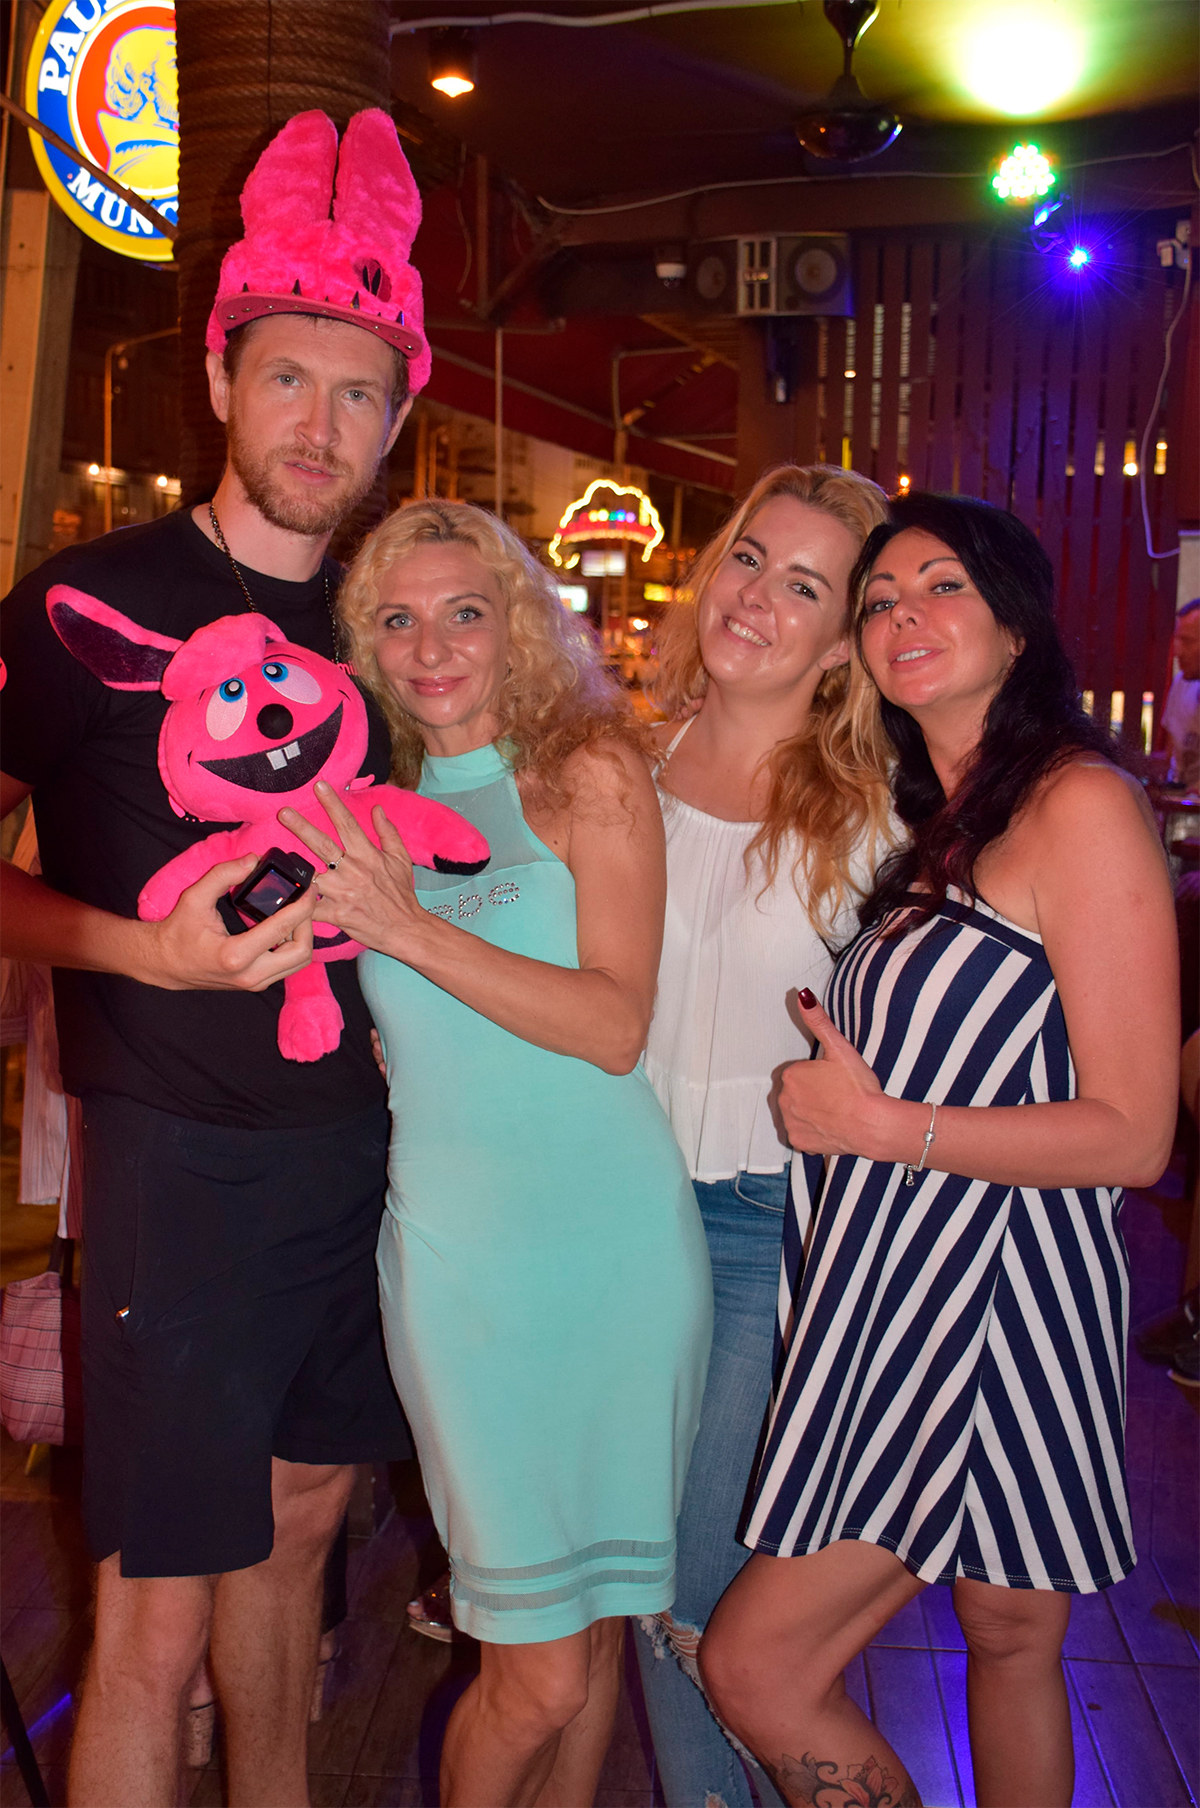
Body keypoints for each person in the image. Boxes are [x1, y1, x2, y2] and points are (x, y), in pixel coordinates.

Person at [0, 108, 429, 1808]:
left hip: (371, 1159)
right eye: (290, 379)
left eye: (358, 394)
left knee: (305, 1533)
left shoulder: (399, 626)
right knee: (150, 1613)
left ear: (397, 417)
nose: (320, 424)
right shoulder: (81, 602)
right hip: (178, 1169)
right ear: (221, 379)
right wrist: (144, 954)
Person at [699, 493, 1179, 1808]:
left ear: (1017, 625)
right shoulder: (948, 820)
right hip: (912, 1289)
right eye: (880, 599)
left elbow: (1136, 1133)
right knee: (1009, 1636)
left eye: (943, 585)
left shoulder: (1080, 805)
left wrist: (881, 1128)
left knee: (757, 1665)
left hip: (983, 1305)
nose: (904, 613)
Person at [280, 498, 712, 1808]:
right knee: (538, 1674)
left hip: (621, 1252)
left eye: (464, 613)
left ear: (517, 623)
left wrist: (412, 933)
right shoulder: (355, 811)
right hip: (464, 1272)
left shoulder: (587, 772)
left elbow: (612, 1024)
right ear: (362, 646)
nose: (432, 648)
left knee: (595, 1630)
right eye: (397, 620)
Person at [631, 464, 898, 1808]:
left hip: (763, 1226)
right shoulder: (626, 759)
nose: (758, 598)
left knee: (698, 1598)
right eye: (749, 558)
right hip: (614, 1211)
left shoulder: (881, 814)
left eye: (806, 586)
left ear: (845, 641)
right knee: (642, 1588)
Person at [1160, 598, 1199, 791]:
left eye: (1187, 641)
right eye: (1178, 639)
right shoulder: (1180, 684)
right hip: (1178, 802)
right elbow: (1170, 755)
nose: (1178, 652)